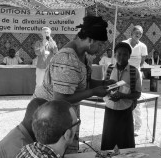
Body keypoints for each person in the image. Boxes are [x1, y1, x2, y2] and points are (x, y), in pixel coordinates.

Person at [33, 15, 115, 153]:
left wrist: (103, 83)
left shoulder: (83, 55)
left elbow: (82, 83)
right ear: (91, 40)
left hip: (61, 112)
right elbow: (60, 99)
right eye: (100, 44)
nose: (100, 48)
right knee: (53, 152)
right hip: (49, 116)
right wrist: (94, 92)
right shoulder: (67, 59)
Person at [101, 42, 142, 150]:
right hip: (110, 108)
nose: (121, 57)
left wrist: (122, 96)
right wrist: (108, 91)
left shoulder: (134, 71)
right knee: (108, 141)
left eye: (125, 54)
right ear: (115, 55)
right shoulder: (109, 69)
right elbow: (104, 87)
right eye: (119, 54)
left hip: (125, 110)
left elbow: (137, 94)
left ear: (129, 56)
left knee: (126, 143)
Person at [123, 25, 148, 134]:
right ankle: (124, 125)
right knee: (123, 97)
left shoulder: (143, 46)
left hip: (136, 74)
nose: (138, 35)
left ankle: (136, 127)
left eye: (140, 34)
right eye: (136, 33)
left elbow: (142, 62)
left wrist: (135, 70)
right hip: (124, 73)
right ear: (132, 33)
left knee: (136, 99)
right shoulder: (124, 43)